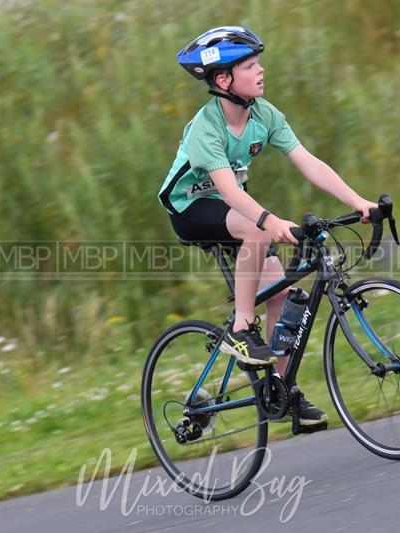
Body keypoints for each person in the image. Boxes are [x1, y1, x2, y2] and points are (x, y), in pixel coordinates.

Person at [158, 26, 376, 426]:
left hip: (235, 211)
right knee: (256, 230)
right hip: (191, 209)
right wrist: (269, 220)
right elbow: (227, 191)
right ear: (223, 80)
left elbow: (308, 161)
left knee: (283, 295)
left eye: (259, 63)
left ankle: (282, 394)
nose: (261, 71)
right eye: (250, 65)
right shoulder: (206, 128)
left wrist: (358, 201)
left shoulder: (264, 114)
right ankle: (242, 328)